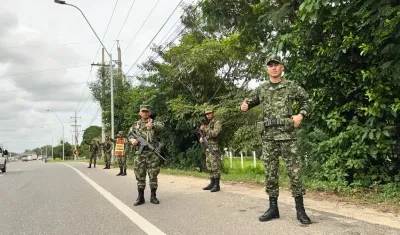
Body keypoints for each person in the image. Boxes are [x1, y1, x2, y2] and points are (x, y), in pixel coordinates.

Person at [240, 57, 312, 224]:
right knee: (270, 173)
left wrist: (301, 115)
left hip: (287, 135)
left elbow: (307, 100)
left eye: (276, 65)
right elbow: (248, 103)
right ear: (267, 69)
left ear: (282, 67)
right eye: (270, 66)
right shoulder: (261, 89)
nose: (273, 68)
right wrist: (244, 106)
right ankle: (273, 209)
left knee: (294, 173)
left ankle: (300, 211)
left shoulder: (290, 86)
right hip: (268, 138)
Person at [128, 105, 164, 206]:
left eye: (146, 111)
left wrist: (152, 126)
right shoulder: (135, 125)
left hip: (152, 154)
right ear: (140, 113)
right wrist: (132, 140)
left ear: (149, 112)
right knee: (140, 176)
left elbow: (162, 127)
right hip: (140, 154)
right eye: (143, 111)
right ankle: (141, 197)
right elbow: (129, 135)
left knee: (153, 175)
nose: (145, 113)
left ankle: (153, 196)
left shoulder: (154, 123)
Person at [199, 108, 222, 192]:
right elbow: (208, 135)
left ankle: (217, 185)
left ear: (213, 113)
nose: (208, 115)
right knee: (209, 166)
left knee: (215, 166)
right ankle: (212, 183)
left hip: (214, 148)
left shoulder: (217, 123)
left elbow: (215, 133)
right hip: (208, 148)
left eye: (209, 113)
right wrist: (203, 138)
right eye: (206, 114)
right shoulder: (208, 124)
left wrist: (205, 129)